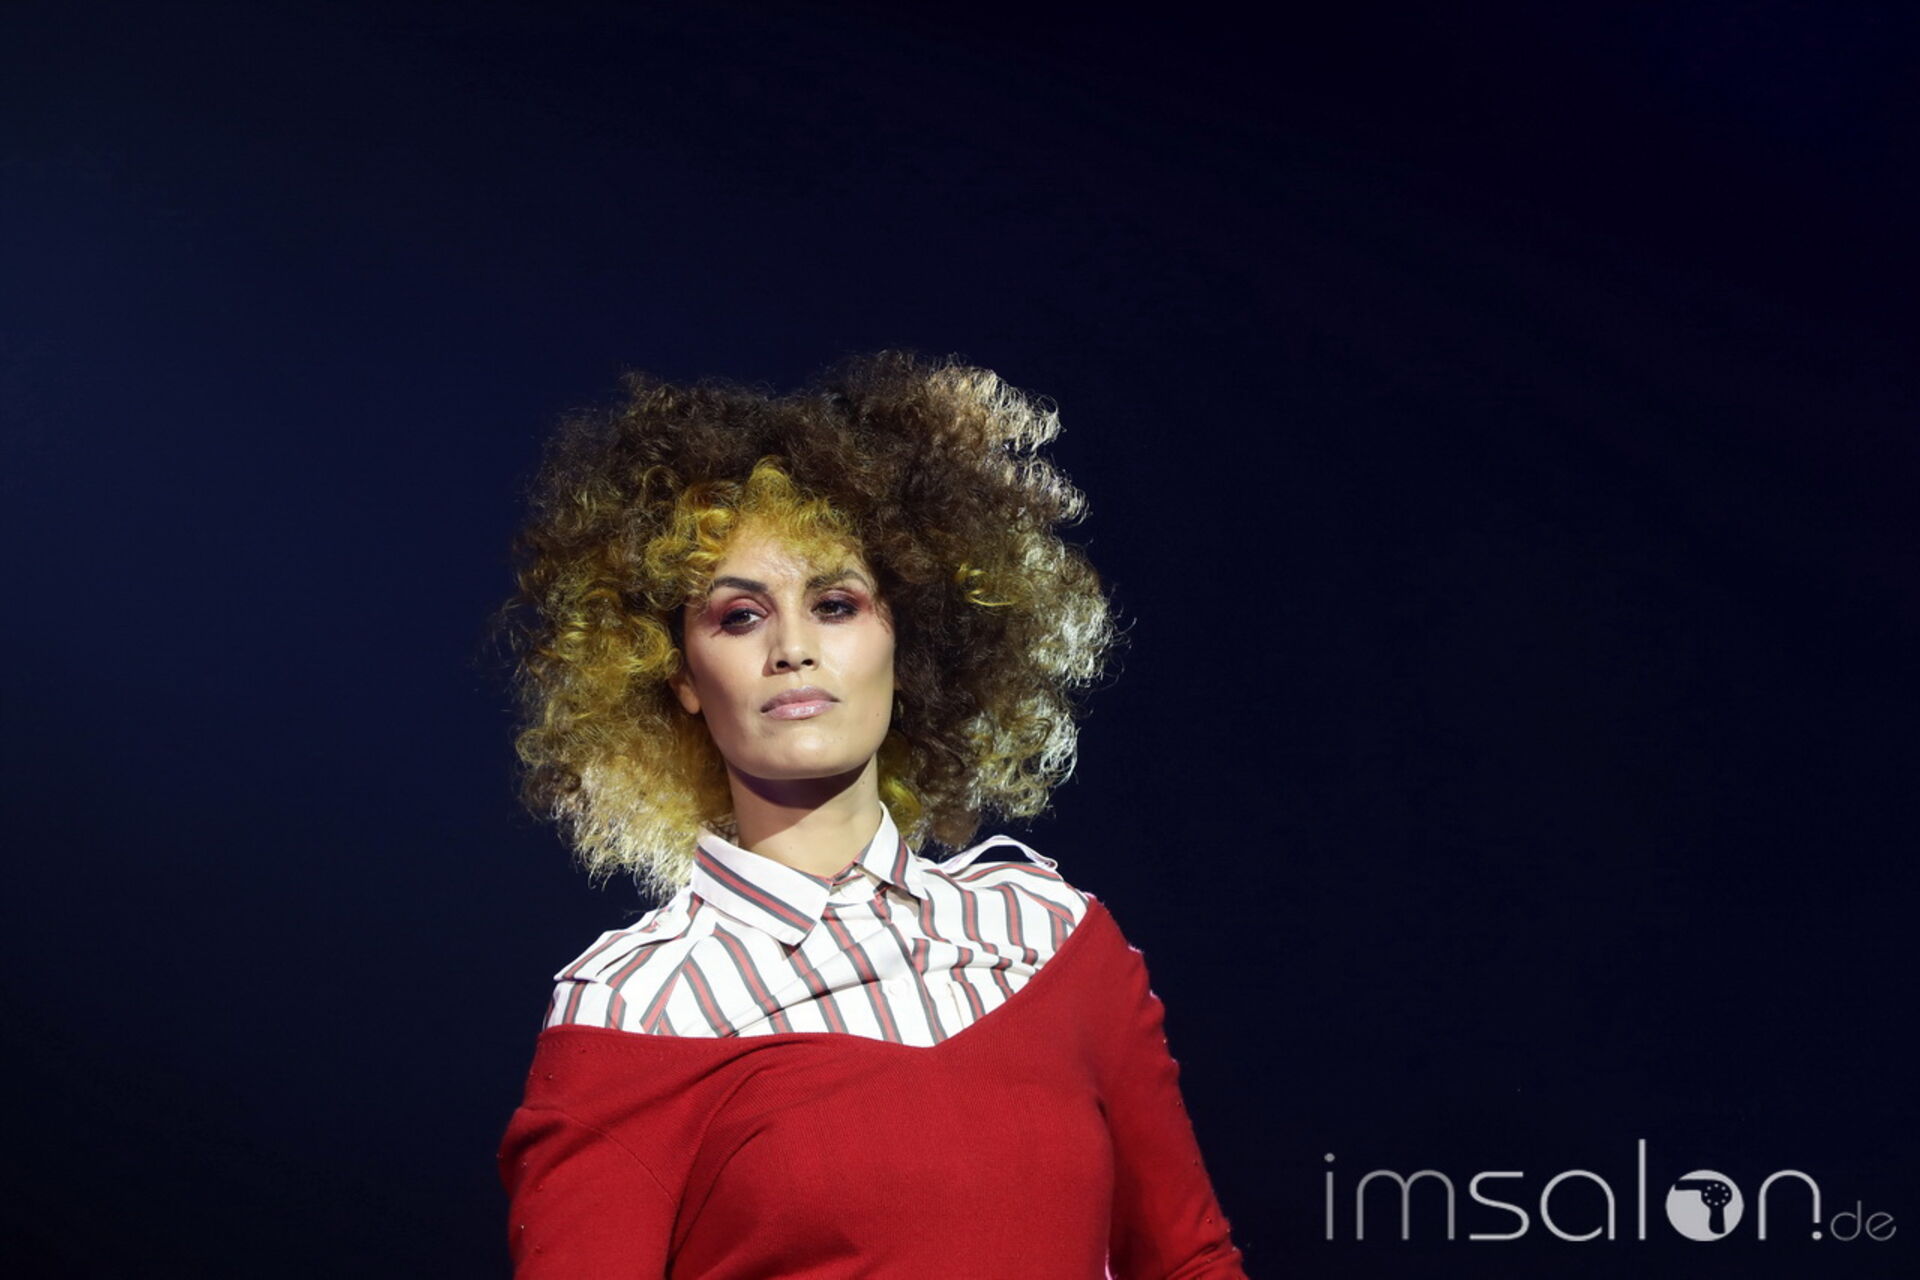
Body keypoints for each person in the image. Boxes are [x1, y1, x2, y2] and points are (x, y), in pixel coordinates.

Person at [491, 351, 1249, 1276]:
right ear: (680, 675)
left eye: (836, 604)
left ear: (907, 634)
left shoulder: (1048, 937)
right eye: (739, 616)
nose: (793, 649)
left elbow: (1190, 1263)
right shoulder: (633, 1010)